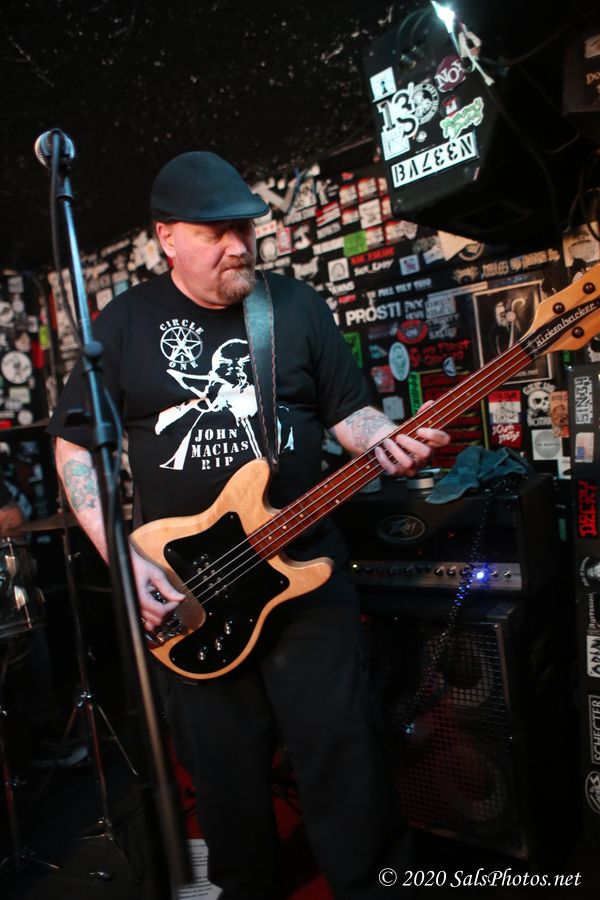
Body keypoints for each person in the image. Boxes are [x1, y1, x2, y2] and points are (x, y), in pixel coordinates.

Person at [47, 151, 450, 899]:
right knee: (224, 778)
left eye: (246, 229)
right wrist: (122, 561)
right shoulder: (124, 323)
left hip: (304, 570)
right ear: (167, 237)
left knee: (344, 756)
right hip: (189, 587)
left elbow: (351, 414)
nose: (239, 246)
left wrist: (385, 438)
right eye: (216, 233)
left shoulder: (293, 306)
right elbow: (74, 444)